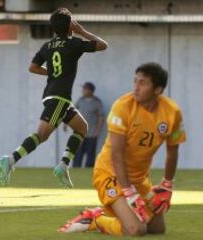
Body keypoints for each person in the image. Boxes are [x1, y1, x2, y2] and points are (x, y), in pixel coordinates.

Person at [57, 62, 186, 236]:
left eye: (143, 83)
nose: (136, 87)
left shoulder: (172, 112)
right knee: (136, 229)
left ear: (158, 90)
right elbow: (116, 154)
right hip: (110, 173)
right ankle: (95, 219)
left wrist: (167, 185)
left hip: (139, 178)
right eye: (135, 81)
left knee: (157, 229)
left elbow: (173, 150)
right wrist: (128, 191)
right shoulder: (123, 107)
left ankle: (110, 213)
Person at [0, 8, 108, 187]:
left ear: (54, 28)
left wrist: (52, 73)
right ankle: (10, 159)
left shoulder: (47, 46)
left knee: (81, 127)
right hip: (60, 98)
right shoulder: (74, 43)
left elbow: (32, 67)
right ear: (70, 27)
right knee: (42, 135)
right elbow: (103, 45)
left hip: (53, 96)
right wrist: (81, 31)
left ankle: (63, 166)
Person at [71, 82, 104, 168]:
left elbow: (101, 117)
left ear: (90, 91)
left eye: (84, 89)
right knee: (78, 154)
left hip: (92, 133)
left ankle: (88, 171)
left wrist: (98, 130)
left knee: (90, 155)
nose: (82, 91)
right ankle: (76, 170)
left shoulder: (97, 102)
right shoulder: (80, 100)